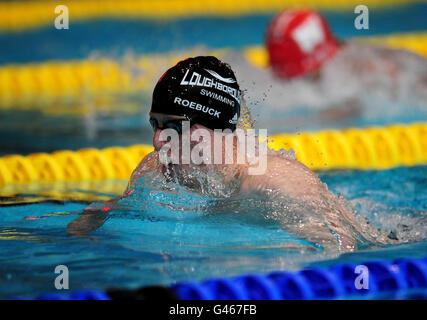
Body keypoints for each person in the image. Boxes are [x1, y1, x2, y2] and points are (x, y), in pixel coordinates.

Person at [67, 56, 394, 252]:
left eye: (174, 126)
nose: (157, 141)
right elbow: (109, 211)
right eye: (155, 124)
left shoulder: (275, 184)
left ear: (217, 127)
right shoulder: (153, 171)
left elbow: (344, 253)